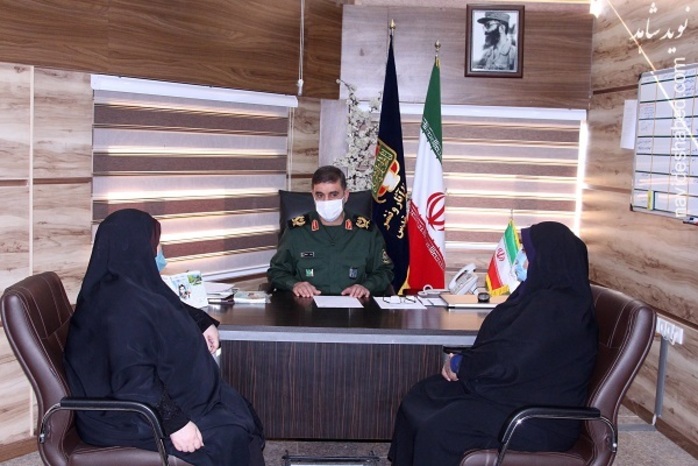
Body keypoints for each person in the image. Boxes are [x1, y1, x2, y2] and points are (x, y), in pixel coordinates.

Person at [64, 209, 265, 466]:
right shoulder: (120, 309)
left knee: (233, 405)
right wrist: (176, 423)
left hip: (149, 398)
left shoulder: (125, 283)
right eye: (157, 244)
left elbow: (166, 305)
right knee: (228, 432)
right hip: (129, 416)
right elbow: (134, 381)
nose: (160, 251)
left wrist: (202, 322)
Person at [388, 221, 598, 466]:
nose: (518, 258)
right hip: (508, 394)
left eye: (526, 252)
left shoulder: (559, 310)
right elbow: (501, 348)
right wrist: (464, 361)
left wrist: (461, 364)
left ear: (547, 260)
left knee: (442, 427)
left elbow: (511, 360)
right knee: (424, 393)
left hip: (538, 418)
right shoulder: (535, 297)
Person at [267, 165, 394, 298]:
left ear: (346, 195)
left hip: (354, 304)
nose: (326, 201)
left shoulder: (366, 232)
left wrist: (366, 286)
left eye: (333, 194)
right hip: (307, 304)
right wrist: (295, 284)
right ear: (313, 196)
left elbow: (384, 271)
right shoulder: (296, 231)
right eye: (320, 195)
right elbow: (277, 271)